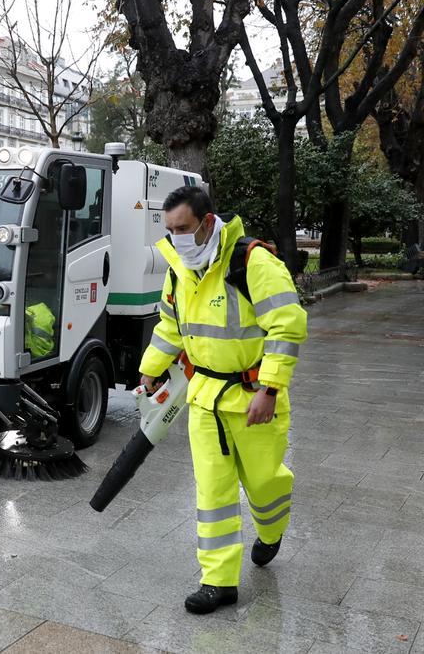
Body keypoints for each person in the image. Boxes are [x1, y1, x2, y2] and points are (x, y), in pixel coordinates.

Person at [138, 186, 307, 615]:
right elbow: (170, 325)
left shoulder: (253, 262)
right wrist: (150, 366)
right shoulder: (180, 269)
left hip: (254, 399)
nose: (176, 238)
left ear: (208, 222)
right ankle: (218, 581)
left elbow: (287, 327)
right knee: (212, 493)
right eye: (170, 230)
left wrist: (269, 390)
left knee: (265, 485)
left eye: (184, 228)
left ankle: (271, 532)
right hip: (206, 400)